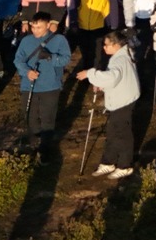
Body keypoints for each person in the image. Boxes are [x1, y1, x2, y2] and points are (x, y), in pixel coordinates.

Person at [78, 30, 139, 178]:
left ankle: (125, 165)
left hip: (123, 101)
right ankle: (108, 162)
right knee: (112, 131)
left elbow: (112, 77)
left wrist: (90, 74)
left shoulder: (119, 60)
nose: (104, 48)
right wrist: (102, 85)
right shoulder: (122, 55)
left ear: (116, 45)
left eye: (106, 45)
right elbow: (117, 78)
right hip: (123, 97)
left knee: (122, 133)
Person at [13, 11, 72, 152]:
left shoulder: (59, 40)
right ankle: (36, 140)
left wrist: (51, 57)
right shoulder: (26, 41)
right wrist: (27, 72)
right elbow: (18, 60)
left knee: (48, 119)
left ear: (48, 25)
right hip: (29, 86)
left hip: (50, 86)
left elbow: (65, 59)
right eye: (33, 27)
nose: (35, 30)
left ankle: (45, 148)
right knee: (29, 117)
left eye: (39, 27)